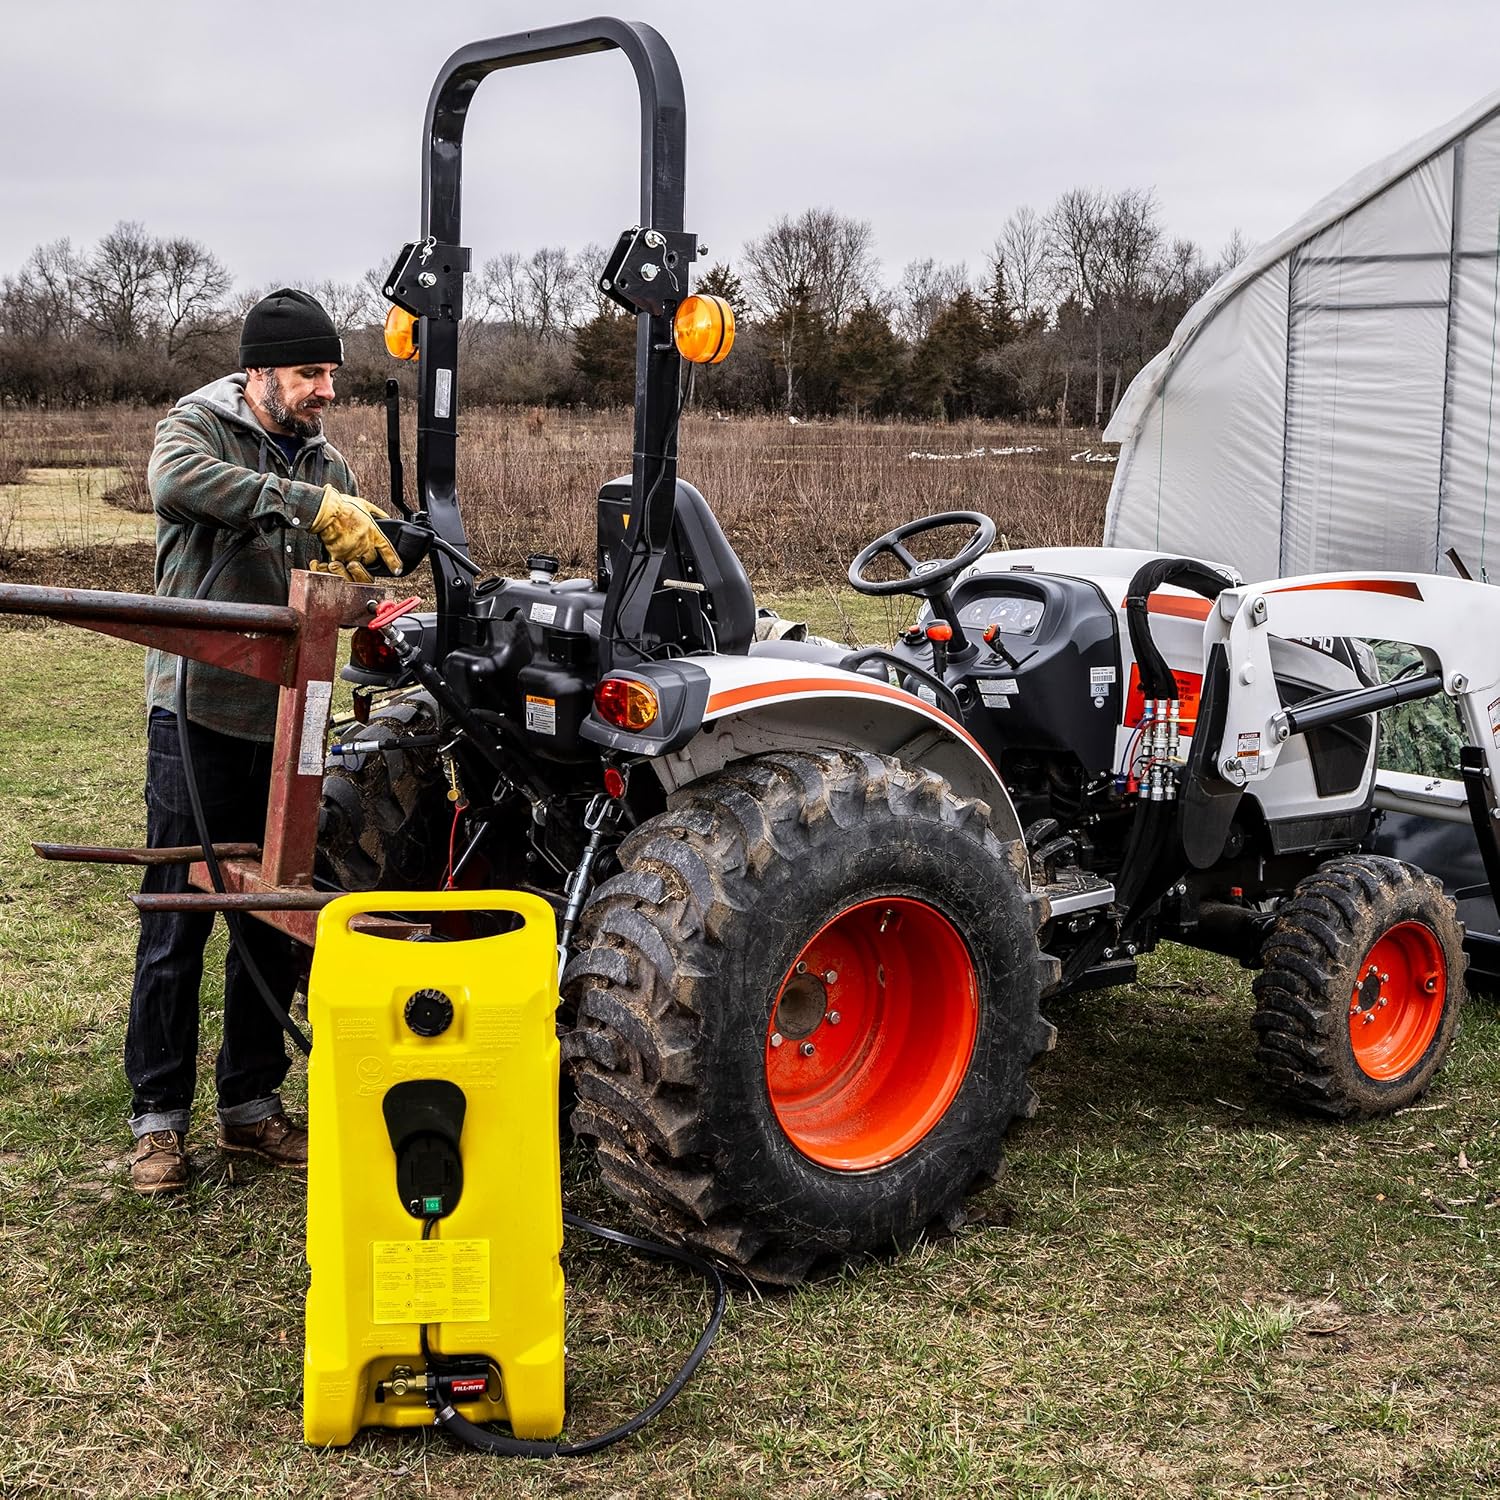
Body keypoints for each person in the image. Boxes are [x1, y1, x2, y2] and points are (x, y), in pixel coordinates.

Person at [127, 288, 400, 1195]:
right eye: (307, 372)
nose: (325, 389)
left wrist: (376, 592)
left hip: (293, 717)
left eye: (331, 373)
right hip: (198, 709)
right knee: (179, 913)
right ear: (259, 374)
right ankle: (157, 1121)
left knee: (278, 911)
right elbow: (176, 488)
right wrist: (306, 506)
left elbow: (346, 573)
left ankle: (249, 1108)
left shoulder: (331, 465)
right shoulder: (194, 430)